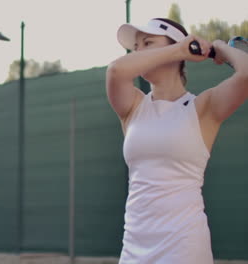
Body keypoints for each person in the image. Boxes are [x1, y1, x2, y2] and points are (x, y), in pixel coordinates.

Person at [106, 18, 248, 263]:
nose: (139, 51)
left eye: (148, 42)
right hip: (133, 250)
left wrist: (220, 48)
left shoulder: (203, 107)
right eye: (136, 46)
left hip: (184, 248)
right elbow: (116, 71)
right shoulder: (132, 105)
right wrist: (179, 49)